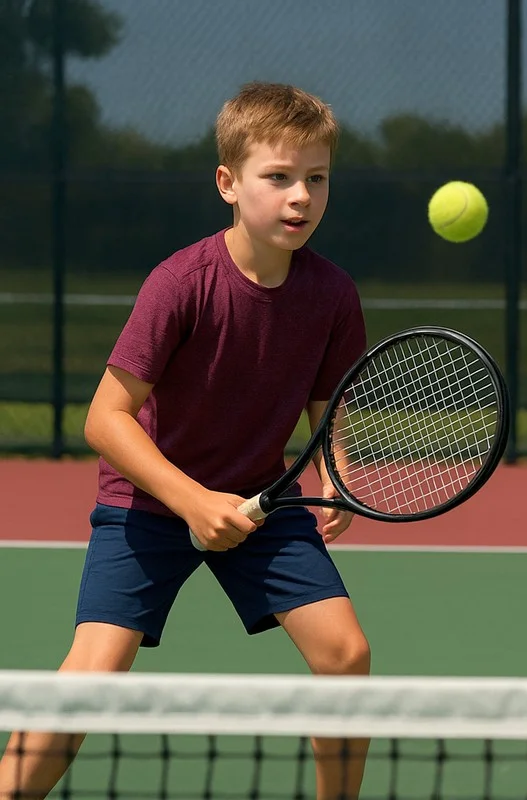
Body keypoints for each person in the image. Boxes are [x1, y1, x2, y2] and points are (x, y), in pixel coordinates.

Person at [0, 82, 372, 800]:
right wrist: (194, 502)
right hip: (148, 505)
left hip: (265, 505)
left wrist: (338, 469)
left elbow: (327, 404)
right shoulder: (181, 283)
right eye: (279, 177)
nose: (301, 197)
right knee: (91, 677)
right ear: (228, 184)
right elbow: (104, 419)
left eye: (317, 179)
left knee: (346, 655)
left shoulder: (333, 294)